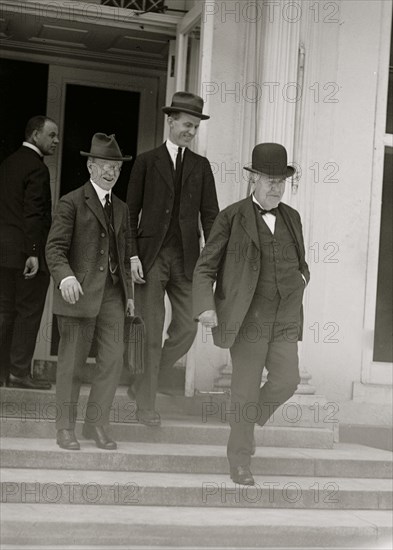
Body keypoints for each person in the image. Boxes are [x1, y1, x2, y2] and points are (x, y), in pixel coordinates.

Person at [193, 143, 310, 485]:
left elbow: (301, 262)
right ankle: (240, 461)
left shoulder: (293, 217)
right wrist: (205, 305)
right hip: (248, 319)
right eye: (269, 179)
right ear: (254, 179)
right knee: (244, 390)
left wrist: (303, 278)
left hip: (285, 318)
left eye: (281, 180)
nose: (276, 186)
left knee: (288, 380)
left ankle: (248, 419)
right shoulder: (231, 217)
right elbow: (205, 267)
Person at [126, 92, 219, 427]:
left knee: (186, 329)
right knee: (150, 334)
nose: (190, 131)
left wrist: (211, 262)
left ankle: (143, 380)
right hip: (150, 260)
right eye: (186, 124)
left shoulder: (201, 166)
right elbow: (129, 212)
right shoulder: (146, 162)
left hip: (186, 262)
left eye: (195, 126)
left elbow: (211, 217)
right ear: (170, 121)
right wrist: (133, 254)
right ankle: (146, 406)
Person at [46, 133, 133, 451]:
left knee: (112, 361)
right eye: (106, 166)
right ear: (90, 166)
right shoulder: (71, 202)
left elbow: (122, 258)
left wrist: (130, 296)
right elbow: (54, 249)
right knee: (72, 364)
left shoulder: (121, 208)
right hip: (78, 293)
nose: (112, 173)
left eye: (117, 168)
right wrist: (65, 278)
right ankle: (65, 428)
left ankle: (96, 425)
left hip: (112, 294)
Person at [0, 115, 59, 389]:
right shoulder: (37, 168)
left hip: (4, 254)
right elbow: (33, 212)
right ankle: (18, 372)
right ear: (35, 135)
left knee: (5, 311)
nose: (56, 141)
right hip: (26, 256)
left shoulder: (8, 163)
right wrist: (34, 252)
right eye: (52, 135)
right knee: (28, 312)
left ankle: (5, 372)